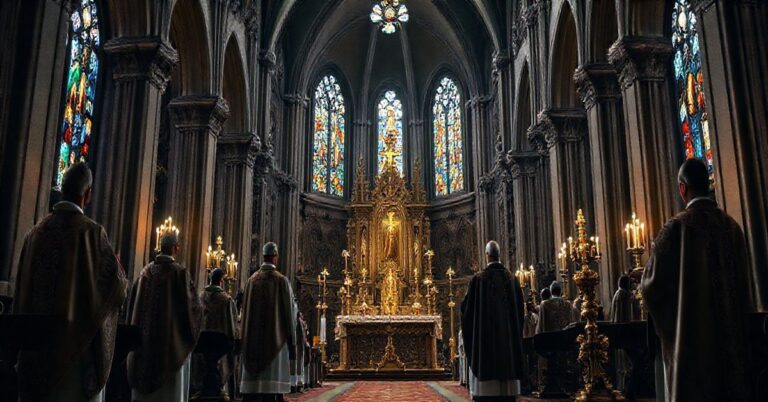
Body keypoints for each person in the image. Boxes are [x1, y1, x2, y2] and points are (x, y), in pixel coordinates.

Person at [13, 162, 128, 402]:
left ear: (62, 188)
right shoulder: (92, 234)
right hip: (76, 350)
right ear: (87, 194)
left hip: (35, 353)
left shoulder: (35, 233)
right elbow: (117, 289)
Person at [641, 158, 752, 402]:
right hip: (732, 347)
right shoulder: (732, 227)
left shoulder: (675, 229)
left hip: (693, 346)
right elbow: (746, 287)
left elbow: (651, 287)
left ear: (682, 188)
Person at [127, 232, 203, 401]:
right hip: (170, 347)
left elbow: (133, 306)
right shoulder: (179, 273)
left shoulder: (144, 273)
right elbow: (193, 309)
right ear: (176, 248)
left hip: (144, 346)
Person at [461, 241, 525, 401]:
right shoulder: (512, 279)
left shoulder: (478, 280)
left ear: (487, 255)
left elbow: (467, 313)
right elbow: (519, 313)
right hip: (507, 347)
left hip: (486, 346)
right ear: (498, 255)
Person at [240, 242, 296, 402]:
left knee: (255, 385)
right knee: (271, 384)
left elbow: (245, 311)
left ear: (263, 256)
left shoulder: (251, 280)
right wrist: (291, 339)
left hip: (253, 340)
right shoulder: (281, 281)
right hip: (274, 340)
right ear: (275, 256)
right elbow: (289, 312)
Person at [200, 268, 238, 397]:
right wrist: (234, 338)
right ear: (221, 281)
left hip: (202, 339)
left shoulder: (201, 296)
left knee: (207, 364)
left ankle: (205, 388)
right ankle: (217, 388)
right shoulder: (226, 299)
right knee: (217, 363)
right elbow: (232, 321)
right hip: (219, 340)